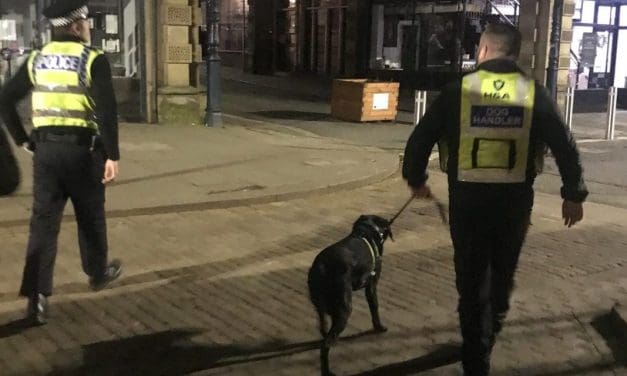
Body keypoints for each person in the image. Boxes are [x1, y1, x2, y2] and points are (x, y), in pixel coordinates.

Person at [402, 23, 587, 375]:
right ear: (514, 53)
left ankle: (476, 354)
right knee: (501, 277)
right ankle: (487, 337)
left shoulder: (459, 90)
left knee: (471, 282)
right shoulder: (533, 93)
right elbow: (564, 144)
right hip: (513, 205)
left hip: (467, 203)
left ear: (484, 50)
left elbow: (420, 138)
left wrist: (416, 179)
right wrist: (573, 194)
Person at [0, 0, 122, 326]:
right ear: (76, 24)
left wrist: (23, 139)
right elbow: (107, 111)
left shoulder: (36, 60)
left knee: (43, 225)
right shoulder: (92, 59)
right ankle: (97, 272)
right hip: (84, 153)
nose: (88, 25)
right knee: (91, 215)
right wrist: (112, 155)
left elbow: (5, 99)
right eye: (85, 20)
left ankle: (37, 301)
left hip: (46, 154)